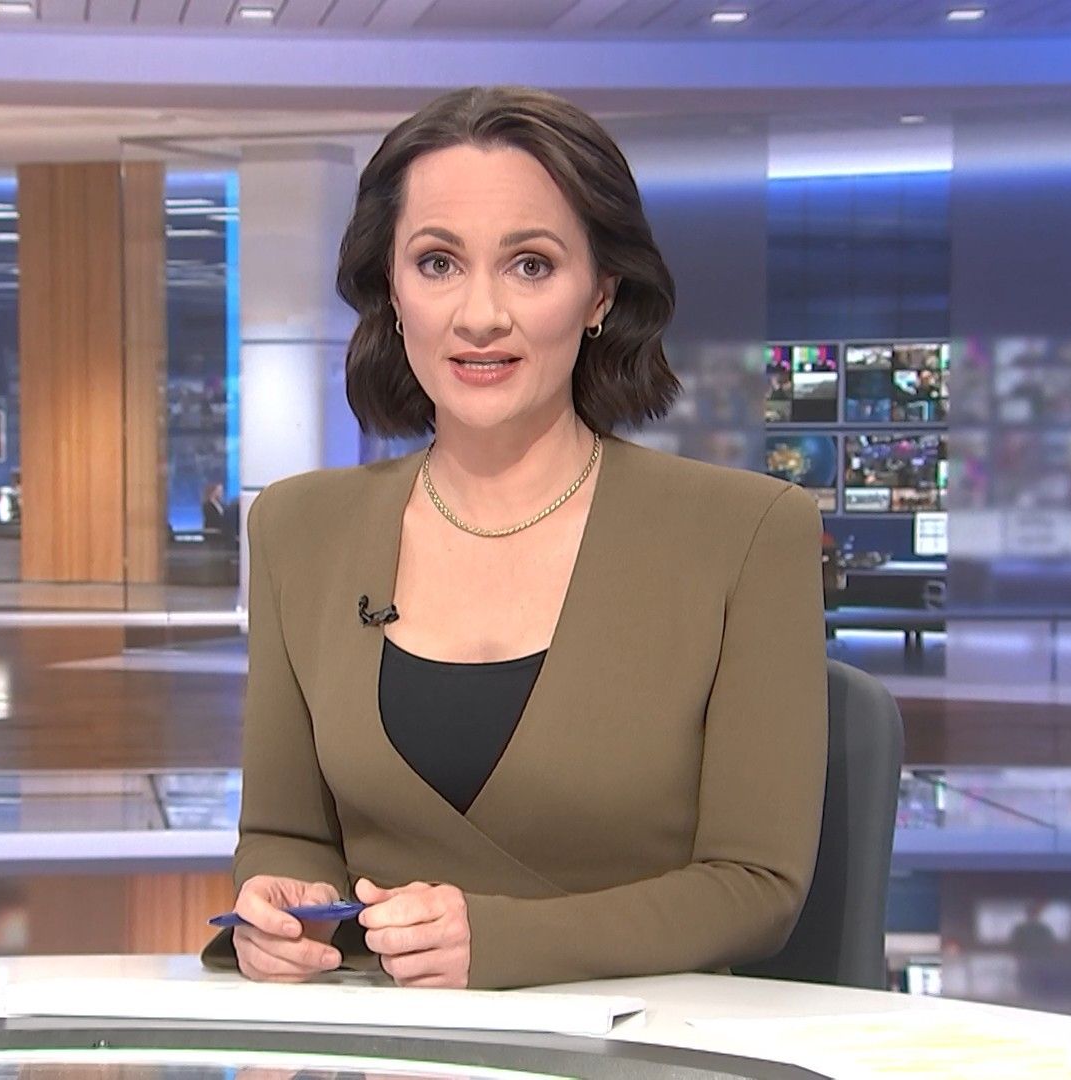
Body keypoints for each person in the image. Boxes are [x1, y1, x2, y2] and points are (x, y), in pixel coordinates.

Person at [202, 86, 826, 991]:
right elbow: (287, 831)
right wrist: (281, 905)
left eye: (530, 265)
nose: (480, 314)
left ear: (601, 292)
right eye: (438, 263)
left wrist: (498, 942)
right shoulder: (300, 528)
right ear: (392, 290)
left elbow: (757, 887)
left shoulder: (748, 534)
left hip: (643, 1037)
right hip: (384, 1036)